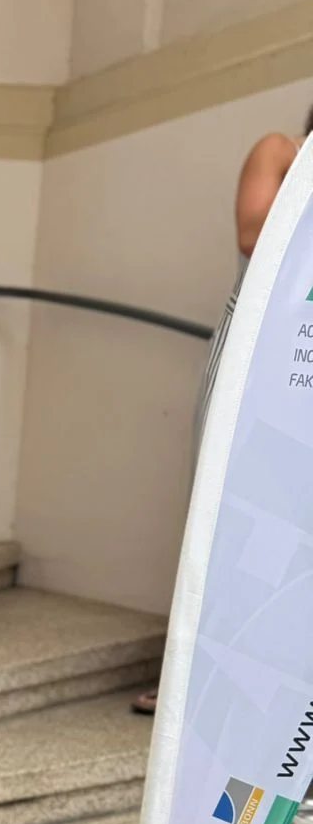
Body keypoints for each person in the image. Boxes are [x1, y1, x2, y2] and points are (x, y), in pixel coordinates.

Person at [133, 105, 312, 718]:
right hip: (256, 357)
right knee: (229, 517)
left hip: (304, 367)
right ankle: (195, 683)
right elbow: (254, 236)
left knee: (291, 533)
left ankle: (276, 691)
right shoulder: (282, 149)